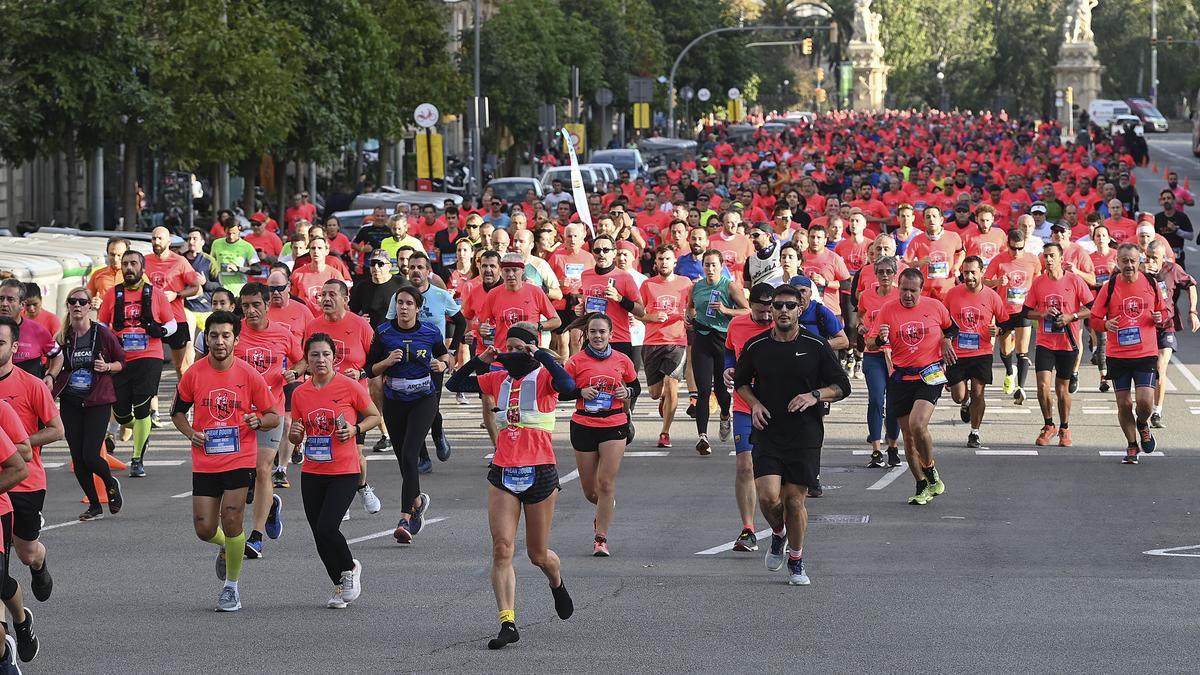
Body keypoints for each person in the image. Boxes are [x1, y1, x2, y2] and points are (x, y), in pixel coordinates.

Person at [445, 322, 576, 650]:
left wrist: (543, 356)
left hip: (540, 470)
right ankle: (508, 621)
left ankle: (556, 582)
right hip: (503, 470)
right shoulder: (497, 377)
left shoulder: (544, 376)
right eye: (511, 348)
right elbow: (453, 384)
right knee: (502, 548)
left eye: (521, 348)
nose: (515, 354)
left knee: (537, 554)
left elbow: (569, 385)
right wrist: (481, 360)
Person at [733, 283, 850, 585]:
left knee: (795, 502)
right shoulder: (757, 346)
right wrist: (755, 404)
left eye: (789, 305)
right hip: (768, 430)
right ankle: (778, 533)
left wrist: (815, 395)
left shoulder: (816, 345)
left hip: (805, 434)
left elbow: (842, 386)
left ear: (800, 309)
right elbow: (741, 382)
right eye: (777, 305)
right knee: (769, 498)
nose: (783, 310)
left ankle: (796, 560)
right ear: (770, 310)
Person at [171, 310, 279, 612]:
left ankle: (231, 588)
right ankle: (226, 546)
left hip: (238, 458)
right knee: (204, 528)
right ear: (206, 338)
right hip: (206, 460)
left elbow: (273, 415)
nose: (219, 341)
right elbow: (177, 411)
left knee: (232, 520)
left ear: (236, 339)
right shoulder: (194, 373)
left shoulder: (248, 374)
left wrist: (258, 421)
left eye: (225, 336)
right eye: (214, 335)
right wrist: (190, 432)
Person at [289, 332, 382, 608]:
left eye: (326, 354)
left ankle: (350, 568)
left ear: (334, 357)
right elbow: (297, 434)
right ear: (306, 360)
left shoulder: (348, 386)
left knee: (328, 526)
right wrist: (295, 434)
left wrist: (355, 429)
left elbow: (375, 416)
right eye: (314, 355)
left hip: (344, 469)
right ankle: (339, 585)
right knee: (318, 533)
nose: (320, 360)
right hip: (313, 470)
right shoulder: (300, 393)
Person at [366, 286, 449, 542]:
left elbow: (446, 356)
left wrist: (443, 364)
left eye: (408, 303)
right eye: (400, 302)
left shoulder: (430, 332)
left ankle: (405, 517)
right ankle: (417, 499)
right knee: (404, 460)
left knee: (411, 453)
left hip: (424, 398)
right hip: (395, 400)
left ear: (417, 308)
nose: (403, 307)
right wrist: (387, 362)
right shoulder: (383, 332)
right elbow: (370, 369)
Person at [867, 268, 957, 505]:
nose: (907, 295)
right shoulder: (888, 310)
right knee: (907, 437)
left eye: (912, 290)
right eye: (903, 290)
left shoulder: (935, 306)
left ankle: (930, 471)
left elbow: (951, 327)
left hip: (930, 373)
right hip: (901, 376)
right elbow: (870, 342)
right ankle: (921, 485)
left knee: (918, 424)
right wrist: (880, 339)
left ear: (921, 289)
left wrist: (947, 341)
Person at [0, 315, 63, 614]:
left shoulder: (32, 385)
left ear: (14, 347)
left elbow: (56, 429)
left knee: (25, 553)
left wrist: (16, 444)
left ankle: (39, 563)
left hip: (25, 480)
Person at [302, 280, 382, 514]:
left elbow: (376, 360)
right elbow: (305, 359)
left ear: (345, 299)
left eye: (332, 295)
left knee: (355, 453)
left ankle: (362, 487)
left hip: (352, 397)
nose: (326, 299)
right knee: (326, 448)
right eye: (322, 294)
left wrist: (360, 372)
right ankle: (338, 497)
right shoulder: (313, 326)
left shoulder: (360, 325)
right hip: (320, 398)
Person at [562, 313, 637, 556]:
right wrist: (580, 391)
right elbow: (560, 391)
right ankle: (605, 507)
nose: (597, 336)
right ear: (587, 334)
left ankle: (601, 537)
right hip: (584, 424)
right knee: (590, 491)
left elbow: (634, 385)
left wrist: (627, 393)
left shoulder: (622, 360)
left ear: (610, 335)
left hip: (614, 423)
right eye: (593, 332)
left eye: (602, 332)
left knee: (606, 483)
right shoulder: (575, 362)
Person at [235, 283, 300, 558]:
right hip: (237, 415)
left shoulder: (283, 333)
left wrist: (293, 373)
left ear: (266, 305)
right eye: (246, 306)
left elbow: (301, 360)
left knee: (263, 468)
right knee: (244, 472)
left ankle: (256, 536)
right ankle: (270, 504)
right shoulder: (234, 332)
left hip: (270, 412)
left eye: (256, 305)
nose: (250, 311)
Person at [97, 251, 176, 477]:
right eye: (125, 264)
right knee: (120, 412)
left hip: (148, 356)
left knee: (142, 407)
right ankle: (143, 429)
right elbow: (102, 323)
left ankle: (137, 459)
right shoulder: (112, 295)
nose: (129, 267)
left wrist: (159, 330)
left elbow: (171, 324)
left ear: (142, 268)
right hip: (120, 359)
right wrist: (109, 339)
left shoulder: (157, 295)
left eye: (133, 263)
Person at [52, 288, 126, 520]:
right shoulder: (61, 337)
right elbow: (52, 362)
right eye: (72, 301)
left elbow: (121, 362)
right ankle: (94, 505)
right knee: (77, 457)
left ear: (89, 307)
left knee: (90, 455)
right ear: (68, 306)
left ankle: (109, 482)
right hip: (71, 401)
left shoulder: (102, 334)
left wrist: (107, 367)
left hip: (97, 400)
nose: (77, 305)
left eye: (82, 302)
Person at [1089, 243, 1165, 463]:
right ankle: (1132, 445)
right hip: (1118, 354)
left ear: (1139, 262)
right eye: (1125, 261)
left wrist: (1159, 318)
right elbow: (1094, 318)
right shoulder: (1109, 286)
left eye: (1133, 261)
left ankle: (1142, 424)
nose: (1129, 265)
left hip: (1145, 352)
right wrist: (1105, 325)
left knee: (1145, 402)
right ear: (1118, 262)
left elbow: (1162, 311)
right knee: (1124, 404)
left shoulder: (1151, 282)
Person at [721, 283, 776, 551]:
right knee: (745, 466)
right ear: (750, 306)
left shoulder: (782, 325)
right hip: (744, 403)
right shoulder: (738, 325)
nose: (766, 317)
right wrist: (729, 369)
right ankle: (748, 529)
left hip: (778, 406)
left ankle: (782, 523)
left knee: (778, 472)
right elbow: (730, 351)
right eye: (760, 311)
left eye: (770, 311)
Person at [399, 252, 467, 467]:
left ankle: (437, 433)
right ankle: (423, 458)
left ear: (428, 271)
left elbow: (461, 322)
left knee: (430, 407)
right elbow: (391, 324)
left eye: (420, 267)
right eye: (412, 267)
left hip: (434, 360)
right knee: (412, 408)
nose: (416, 271)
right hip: (408, 361)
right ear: (407, 271)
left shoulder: (440, 295)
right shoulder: (399, 297)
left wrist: (452, 350)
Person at [1024, 243, 1094, 447]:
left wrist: (1071, 316)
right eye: (1045, 256)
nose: (1048, 259)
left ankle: (1064, 427)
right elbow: (1026, 312)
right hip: (1045, 342)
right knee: (1043, 386)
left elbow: (1092, 308)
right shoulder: (1038, 283)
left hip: (1067, 342)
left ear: (1061, 258)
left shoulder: (1074, 280)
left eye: (1052, 256)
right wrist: (1042, 314)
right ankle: (1048, 425)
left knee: (1062, 390)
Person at [942, 256, 1008, 449]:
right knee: (958, 396)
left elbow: (1004, 322)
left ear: (981, 272)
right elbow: (942, 320)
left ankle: (975, 432)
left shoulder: (992, 296)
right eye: (965, 272)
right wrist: (945, 340)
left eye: (973, 272)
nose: (969, 276)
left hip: (982, 351)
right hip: (957, 352)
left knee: (979, 393)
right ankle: (965, 402)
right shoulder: (952, 294)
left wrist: (999, 330)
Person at [687, 249, 748, 455]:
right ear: (702, 266)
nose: (710, 269)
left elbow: (747, 310)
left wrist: (726, 310)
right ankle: (702, 437)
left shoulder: (729, 286)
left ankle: (724, 415)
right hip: (702, 338)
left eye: (714, 265)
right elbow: (690, 307)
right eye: (707, 265)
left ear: (721, 266)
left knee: (722, 391)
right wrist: (689, 318)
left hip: (723, 340)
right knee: (703, 390)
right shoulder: (696, 287)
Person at [639, 246, 693, 448]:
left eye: (668, 259)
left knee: (672, 384)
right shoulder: (648, 285)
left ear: (674, 262)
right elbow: (637, 312)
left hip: (676, 341)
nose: (664, 262)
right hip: (652, 342)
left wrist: (689, 317)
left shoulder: (685, 284)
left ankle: (665, 432)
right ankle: (662, 397)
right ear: (656, 262)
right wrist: (651, 317)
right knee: (654, 393)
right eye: (660, 259)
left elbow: (692, 308)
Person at [1143, 240, 1199, 428]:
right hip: (1144, 326)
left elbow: (1191, 284)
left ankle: (1157, 411)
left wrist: (1192, 311)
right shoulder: (1139, 271)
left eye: (1154, 258)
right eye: (1148, 257)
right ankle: (1144, 406)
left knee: (1160, 367)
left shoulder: (1173, 269)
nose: (1150, 261)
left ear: (1163, 258)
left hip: (1166, 326)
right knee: (1145, 370)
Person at [985, 229, 1041, 404]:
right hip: (1004, 310)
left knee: (1022, 351)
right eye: (1013, 248)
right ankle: (1010, 371)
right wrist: (996, 282)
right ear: (1007, 244)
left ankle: (1021, 388)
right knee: (1004, 349)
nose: (1016, 252)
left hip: (1024, 309)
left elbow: (1038, 280)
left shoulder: (1032, 259)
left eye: (1020, 248)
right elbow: (985, 280)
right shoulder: (999, 259)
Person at [856, 257, 903, 465]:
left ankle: (892, 446)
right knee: (876, 398)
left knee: (893, 402)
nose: (885, 275)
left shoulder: (900, 295)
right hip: (873, 353)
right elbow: (860, 315)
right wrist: (861, 327)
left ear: (895, 274)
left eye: (888, 272)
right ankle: (876, 450)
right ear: (875, 274)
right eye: (881, 272)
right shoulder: (867, 294)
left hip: (896, 355)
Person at [145, 226, 202, 380]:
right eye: (153, 238)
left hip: (175, 318)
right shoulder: (144, 260)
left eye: (160, 238)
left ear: (168, 242)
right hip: (151, 319)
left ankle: (185, 401)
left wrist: (176, 295)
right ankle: (151, 403)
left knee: (181, 367)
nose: (156, 242)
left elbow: (196, 287)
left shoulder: (180, 261)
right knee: (149, 367)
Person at [0, 399, 32, 667]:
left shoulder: (2, 407)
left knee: (1, 582)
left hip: (1, 509)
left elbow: (24, 457)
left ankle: (20, 621)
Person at [0, 280, 62, 381]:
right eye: (1, 298)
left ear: (22, 305)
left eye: (10, 299)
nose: (4, 304)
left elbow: (58, 354)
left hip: (28, 393)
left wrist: (51, 375)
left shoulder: (38, 331)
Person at [210, 220, 260, 292]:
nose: (231, 236)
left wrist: (238, 269)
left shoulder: (247, 246)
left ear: (239, 229)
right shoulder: (216, 243)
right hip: (220, 290)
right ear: (224, 230)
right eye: (228, 233)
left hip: (238, 291)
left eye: (234, 233)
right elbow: (211, 264)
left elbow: (258, 269)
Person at [87, 237, 129, 312]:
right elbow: (86, 300)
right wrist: (93, 302)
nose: (115, 259)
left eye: (119, 255)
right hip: (104, 321)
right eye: (112, 255)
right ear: (107, 254)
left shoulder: (138, 276)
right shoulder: (98, 274)